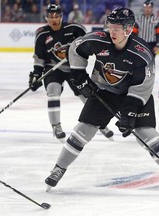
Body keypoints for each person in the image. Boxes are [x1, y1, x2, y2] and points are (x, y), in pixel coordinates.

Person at [44, 7, 159, 198]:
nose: (112, 31)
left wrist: (129, 113)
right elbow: (75, 48)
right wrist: (79, 75)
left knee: (149, 136)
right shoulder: (98, 40)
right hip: (104, 91)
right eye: (110, 26)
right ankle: (58, 169)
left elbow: (142, 87)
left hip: (135, 96)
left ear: (128, 29)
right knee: (82, 131)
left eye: (117, 28)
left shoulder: (141, 54)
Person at [28, 3, 114, 142]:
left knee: (87, 95)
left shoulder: (74, 28)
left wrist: (75, 51)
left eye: (56, 16)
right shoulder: (42, 34)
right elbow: (39, 57)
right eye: (50, 16)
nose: (53, 19)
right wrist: (36, 74)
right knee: (53, 89)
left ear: (61, 17)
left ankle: (100, 124)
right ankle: (56, 126)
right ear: (46, 18)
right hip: (53, 68)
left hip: (74, 68)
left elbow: (88, 42)